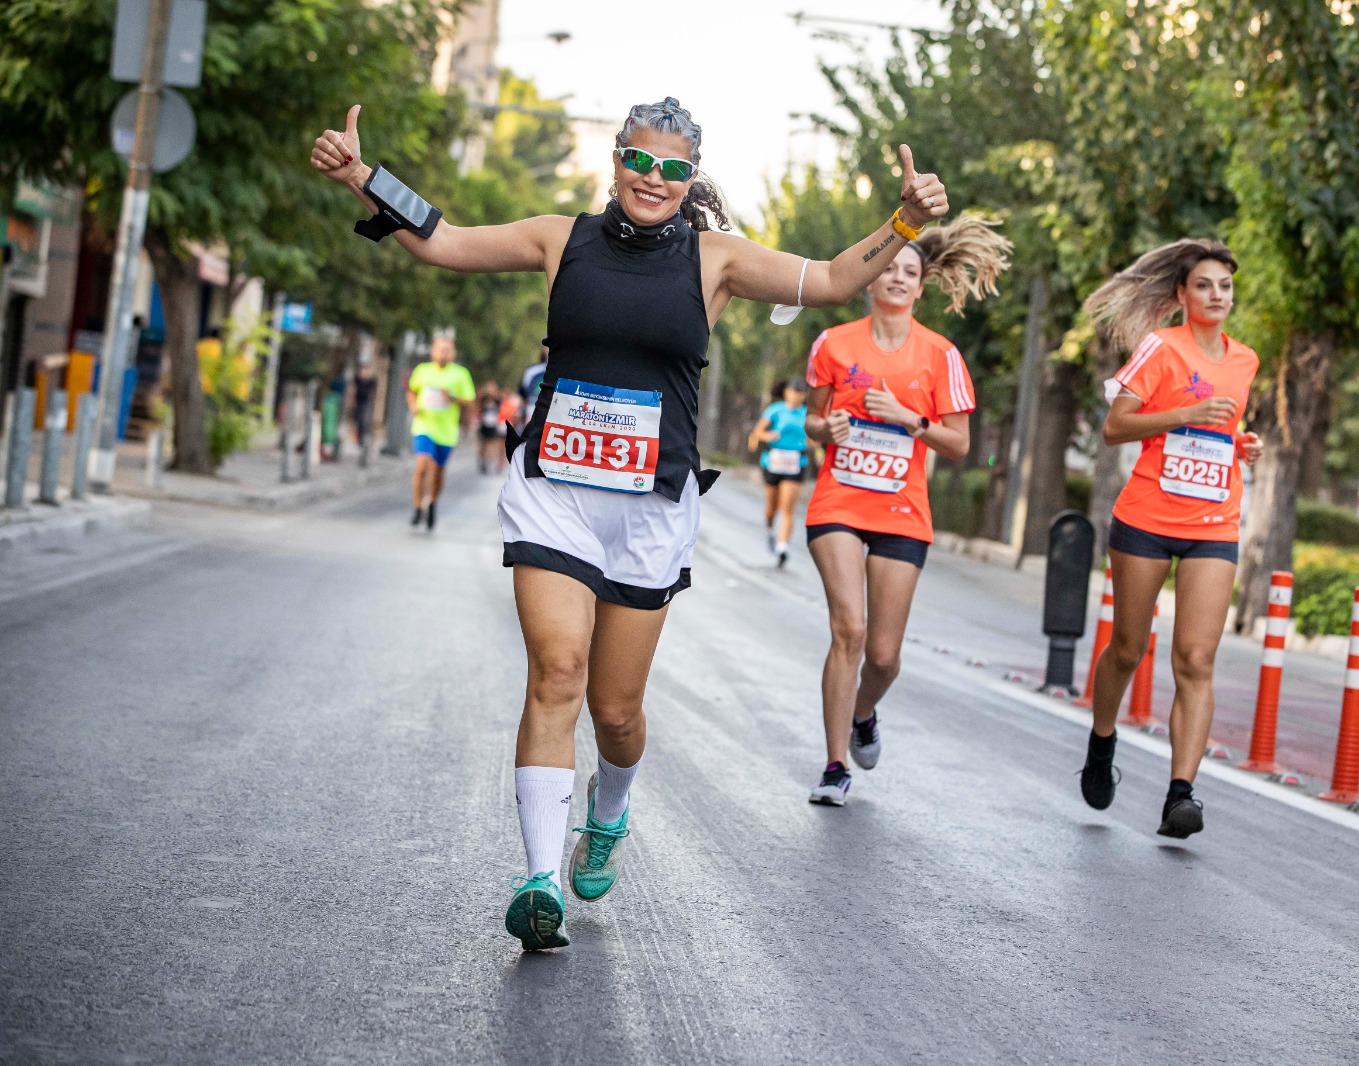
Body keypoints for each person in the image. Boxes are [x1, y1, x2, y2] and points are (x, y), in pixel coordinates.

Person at [312, 97, 951, 949]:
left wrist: (904, 221)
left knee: (615, 711)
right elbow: (446, 240)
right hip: (556, 491)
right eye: (639, 162)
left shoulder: (716, 260)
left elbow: (835, 278)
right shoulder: (557, 238)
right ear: (615, 161)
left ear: (691, 180)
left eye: (673, 169)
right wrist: (365, 178)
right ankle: (539, 878)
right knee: (557, 673)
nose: (654, 179)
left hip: (651, 508)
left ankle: (608, 811)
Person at [801, 217, 1011, 805]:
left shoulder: (940, 356)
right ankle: (835, 764)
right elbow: (812, 422)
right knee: (851, 629)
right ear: (870, 280)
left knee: (885, 656)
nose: (897, 278)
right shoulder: (835, 344)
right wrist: (828, 426)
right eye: (887, 268)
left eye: (909, 272)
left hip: (901, 509)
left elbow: (959, 444)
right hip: (839, 499)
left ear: (922, 287)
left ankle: (864, 710)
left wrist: (907, 418)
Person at [1077, 239, 1262, 839]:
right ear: (1182, 296)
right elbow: (1114, 428)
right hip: (1148, 518)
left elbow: (1220, 428)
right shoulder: (1161, 348)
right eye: (1204, 285)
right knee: (1129, 648)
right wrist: (1182, 415)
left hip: (1214, 519)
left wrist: (1242, 445)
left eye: (1225, 287)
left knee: (1197, 659)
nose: (1216, 296)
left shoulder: (1245, 361)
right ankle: (1102, 744)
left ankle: (1181, 795)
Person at [407, 333, 476, 530]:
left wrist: (453, 397)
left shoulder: (460, 374)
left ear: (452, 353)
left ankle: (432, 503)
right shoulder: (422, 371)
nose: (443, 353)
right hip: (424, 425)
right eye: (440, 349)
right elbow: (412, 390)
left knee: (437, 471)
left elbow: (470, 402)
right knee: (422, 464)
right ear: (433, 351)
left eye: (447, 350)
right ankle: (418, 506)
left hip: (446, 432)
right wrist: (412, 404)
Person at [748, 378, 810, 567]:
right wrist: (768, 435)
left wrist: (813, 443)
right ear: (786, 392)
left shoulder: (807, 414)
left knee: (788, 506)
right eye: (792, 391)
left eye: (799, 392)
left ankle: (783, 547)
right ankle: (769, 529)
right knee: (771, 507)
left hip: (795, 462)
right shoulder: (775, 410)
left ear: (804, 395)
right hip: (773, 461)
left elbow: (815, 440)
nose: (795, 396)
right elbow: (758, 432)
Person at [477, 382, 503, 474]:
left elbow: (501, 410)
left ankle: (491, 462)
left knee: (492, 443)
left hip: (493, 425)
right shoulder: (483, 399)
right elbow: (478, 409)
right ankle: (482, 460)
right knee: (483, 444)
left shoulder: (498, 400)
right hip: (484, 425)